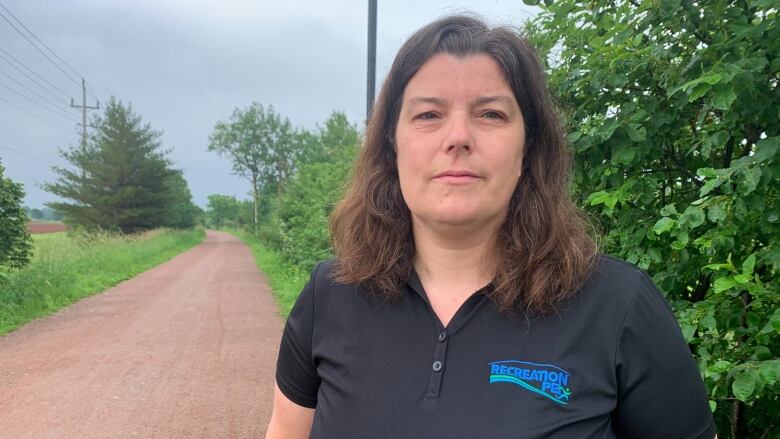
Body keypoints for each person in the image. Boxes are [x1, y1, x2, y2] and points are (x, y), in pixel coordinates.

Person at [265, 15, 717, 439]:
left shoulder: (620, 307)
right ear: (392, 144)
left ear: (528, 148)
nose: (458, 136)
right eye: (428, 114)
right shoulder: (330, 296)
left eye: (491, 114)